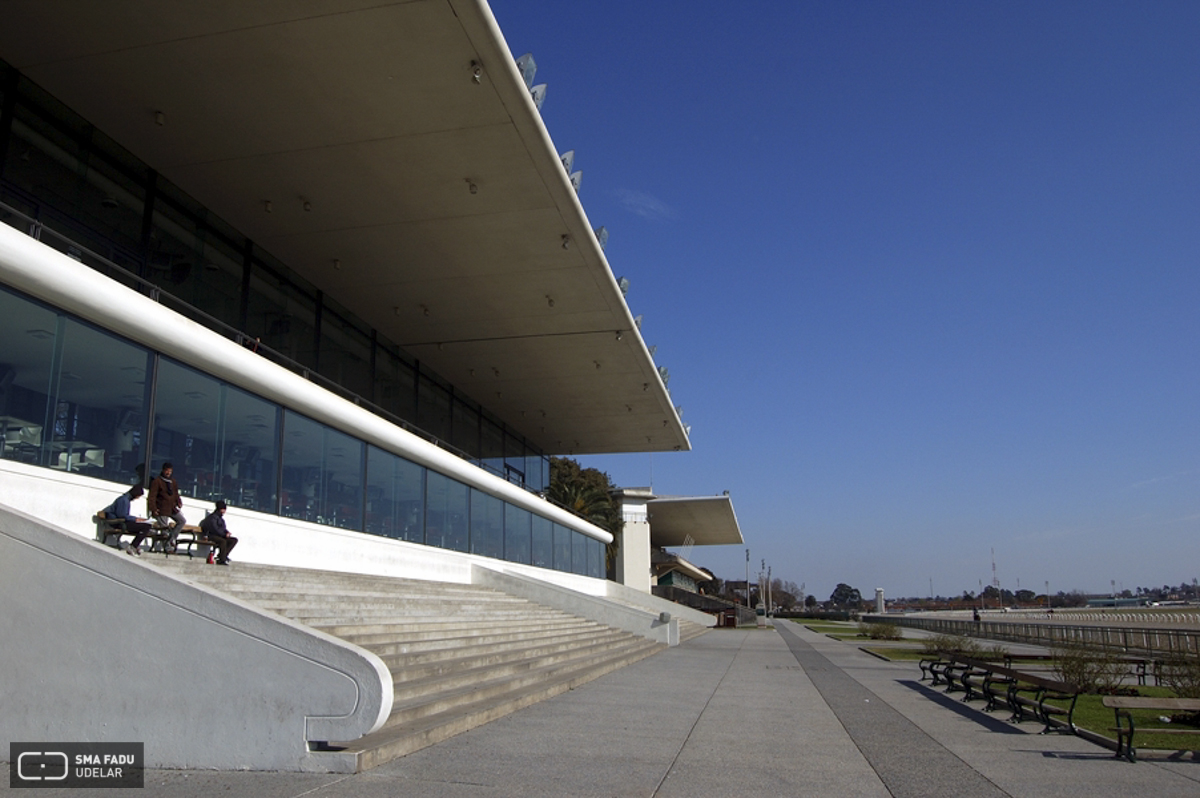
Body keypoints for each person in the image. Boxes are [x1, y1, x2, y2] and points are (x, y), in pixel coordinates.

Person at [102, 484, 152, 556]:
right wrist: (137, 519)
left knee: (145, 526)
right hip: (119, 523)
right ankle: (133, 546)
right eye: (138, 496)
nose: (137, 498)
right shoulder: (124, 500)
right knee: (146, 526)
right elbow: (122, 516)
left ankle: (135, 545)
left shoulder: (125, 499)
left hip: (121, 521)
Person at [148, 462, 186, 552]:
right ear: (163, 470)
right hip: (162, 508)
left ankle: (172, 538)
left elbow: (176, 493)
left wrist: (178, 502)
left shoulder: (173, 482)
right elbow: (152, 496)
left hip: (172, 507)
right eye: (167, 471)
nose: (168, 473)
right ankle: (167, 547)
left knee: (182, 521)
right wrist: (153, 508)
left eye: (170, 471)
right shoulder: (157, 481)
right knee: (164, 528)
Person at [200, 500, 237, 566]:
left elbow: (223, 528)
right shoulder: (212, 518)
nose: (225, 511)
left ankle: (222, 555)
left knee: (233, 540)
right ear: (220, 509)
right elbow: (214, 529)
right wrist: (224, 534)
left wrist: (227, 532)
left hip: (219, 535)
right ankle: (222, 559)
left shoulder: (220, 518)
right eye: (224, 509)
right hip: (211, 535)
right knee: (223, 541)